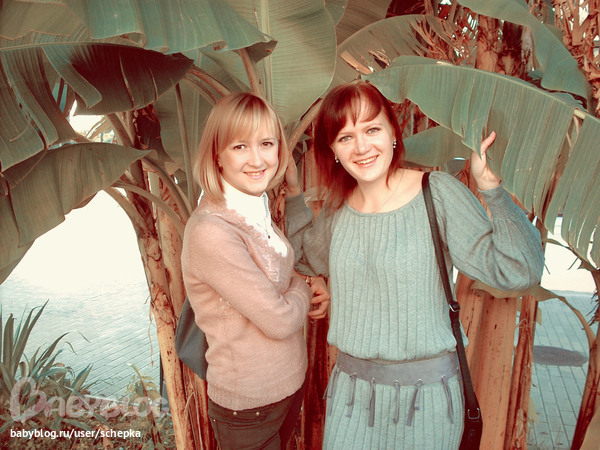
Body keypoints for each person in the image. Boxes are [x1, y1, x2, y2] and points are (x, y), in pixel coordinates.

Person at [284, 80, 544, 449]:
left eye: (372, 129)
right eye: (345, 137)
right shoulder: (338, 207)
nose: (361, 147)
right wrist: (294, 195)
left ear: (393, 132)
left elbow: (520, 270)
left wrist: (493, 191)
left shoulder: (436, 193)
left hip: (428, 402)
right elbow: (303, 258)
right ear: (334, 151)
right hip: (351, 399)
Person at [181, 92, 330, 450]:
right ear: (217, 155)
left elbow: (282, 274)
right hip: (248, 407)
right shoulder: (212, 230)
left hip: (286, 387)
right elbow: (279, 319)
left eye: (266, 143)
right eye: (240, 146)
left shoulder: (253, 207)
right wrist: (305, 287)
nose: (257, 159)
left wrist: (302, 280)